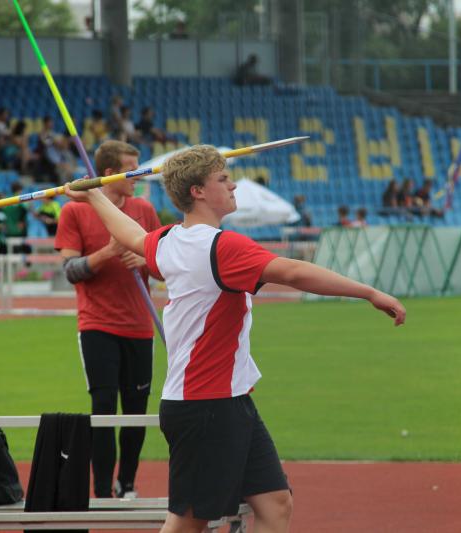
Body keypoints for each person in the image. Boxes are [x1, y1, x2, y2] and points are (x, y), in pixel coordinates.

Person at [63, 144, 405, 533]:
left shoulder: (169, 240)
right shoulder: (220, 246)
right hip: (204, 404)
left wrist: (93, 196)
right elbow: (293, 272)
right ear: (197, 191)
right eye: (223, 179)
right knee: (187, 522)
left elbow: (131, 235)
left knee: (275, 504)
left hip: (230, 398)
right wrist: (368, 292)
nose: (234, 186)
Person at [55, 140, 162, 500]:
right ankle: (101, 490)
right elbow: (70, 271)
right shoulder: (75, 210)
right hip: (97, 324)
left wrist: (145, 259)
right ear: (109, 173)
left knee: (136, 410)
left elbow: (163, 267)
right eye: (132, 169)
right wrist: (109, 252)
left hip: (139, 324)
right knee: (103, 408)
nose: (139, 175)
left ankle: (126, 483)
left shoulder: (144, 209)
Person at [2, 181, 30, 254]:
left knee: (12, 252)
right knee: (23, 252)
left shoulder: (7, 201)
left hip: (9, 230)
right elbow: (26, 209)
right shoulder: (21, 199)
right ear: (20, 190)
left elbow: (3, 215)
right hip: (20, 230)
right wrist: (21, 221)